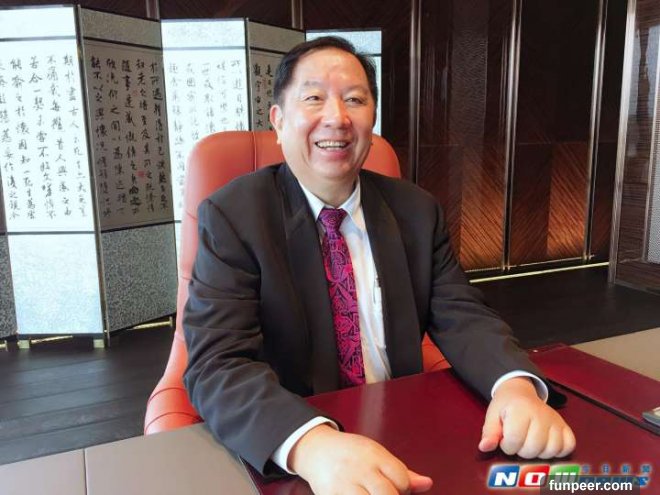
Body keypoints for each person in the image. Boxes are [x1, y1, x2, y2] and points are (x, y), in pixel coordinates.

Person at [183, 36, 575, 495]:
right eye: (313, 98)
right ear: (279, 121)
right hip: (296, 448)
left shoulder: (416, 211)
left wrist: (514, 386)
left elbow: (463, 314)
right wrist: (312, 446)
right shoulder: (234, 217)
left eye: (355, 99)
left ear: (372, 120)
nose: (337, 117)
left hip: (403, 428)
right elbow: (218, 363)